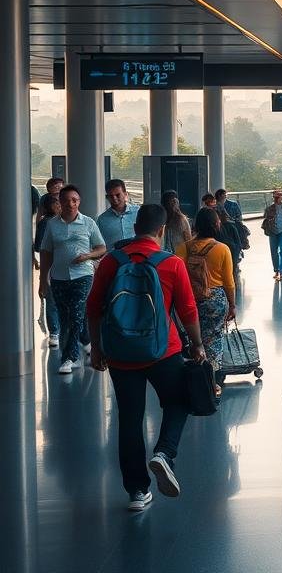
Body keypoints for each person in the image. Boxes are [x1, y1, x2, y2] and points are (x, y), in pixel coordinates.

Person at [87, 203, 204, 512]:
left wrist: (97, 349)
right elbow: (188, 309)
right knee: (178, 402)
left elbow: (94, 306)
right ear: (161, 230)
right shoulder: (170, 263)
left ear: (135, 226)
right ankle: (164, 453)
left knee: (129, 419)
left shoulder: (112, 262)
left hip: (121, 354)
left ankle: (137, 492)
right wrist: (197, 344)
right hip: (164, 350)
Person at [39, 185, 107, 374]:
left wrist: (88, 256)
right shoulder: (52, 224)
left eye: (74, 200)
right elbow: (46, 253)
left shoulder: (88, 223)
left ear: (79, 202)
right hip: (59, 277)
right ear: (59, 202)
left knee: (76, 314)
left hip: (83, 275)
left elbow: (102, 248)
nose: (70, 204)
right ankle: (85, 341)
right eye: (66, 200)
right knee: (65, 315)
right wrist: (43, 280)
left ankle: (70, 358)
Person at [175, 208, 235, 387]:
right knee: (214, 338)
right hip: (214, 300)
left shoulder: (183, 248)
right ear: (217, 225)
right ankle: (213, 380)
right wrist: (232, 305)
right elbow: (229, 282)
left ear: (195, 226)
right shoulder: (222, 249)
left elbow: (176, 276)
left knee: (192, 338)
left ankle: (194, 375)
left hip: (188, 300)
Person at [33, 193, 61, 348]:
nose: (59, 205)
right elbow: (40, 247)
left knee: (54, 301)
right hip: (52, 268)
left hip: (59, 267)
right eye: (56, 203)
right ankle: (55, 332)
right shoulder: (47, 223)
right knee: (52, 301)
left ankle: (57, 332)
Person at [97, 178, 139, 249]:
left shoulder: (138, 212)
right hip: (114, 258)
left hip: (137, 256)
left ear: (125, 194)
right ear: (107, 197)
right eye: (111, 196)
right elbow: (99, 245)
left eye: (117, 195)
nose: (114, 198)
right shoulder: (102, 220)